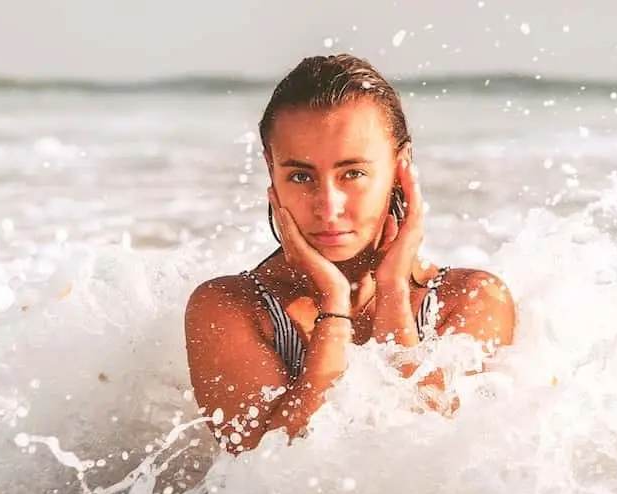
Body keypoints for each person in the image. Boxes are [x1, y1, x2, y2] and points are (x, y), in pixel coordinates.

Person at [185, 53, 515, 455]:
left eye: (352, 173)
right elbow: (263, 473)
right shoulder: (230, 308)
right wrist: (334, 310)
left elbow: (434, 458)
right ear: (271, 171)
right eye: (301, 176)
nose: (328, 205)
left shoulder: (471, 300)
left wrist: (393, 292)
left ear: (401, 167)